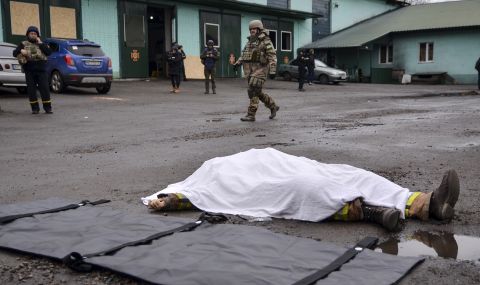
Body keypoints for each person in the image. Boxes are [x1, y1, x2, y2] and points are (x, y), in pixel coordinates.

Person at [143, 148, 460, 232]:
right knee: (309, 188)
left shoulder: (221, 162)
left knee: (352, 174)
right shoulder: (206, 179)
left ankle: (425, 203)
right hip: (274, 185)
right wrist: (167, 200)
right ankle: (375, 213)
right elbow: (194, 196)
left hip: (281, 165)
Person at [234, 20, 279, 122]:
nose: (252, 31)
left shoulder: (265, 41)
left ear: (259, 29)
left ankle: (251, 115)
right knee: (257, 92)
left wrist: (273, 70)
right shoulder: (250, 42)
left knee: (252, 90)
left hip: (261, 69)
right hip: (250, 70)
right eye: (251, 29)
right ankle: (273, 106)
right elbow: (244, 54)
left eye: (254, 29)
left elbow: (272, 56)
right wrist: (238, 63)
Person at [13, 26, 52, 114]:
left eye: (35, 34)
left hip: (41, 70)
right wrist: (21, 51)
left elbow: (49, 52)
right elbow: (14, 53)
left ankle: (48, 108)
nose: (33, 35)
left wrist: (41, 43)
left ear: (37, 35)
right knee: (31, 90)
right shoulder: (23, 43)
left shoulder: (42, 43)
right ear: (28, 34)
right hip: (29, 70)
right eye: (31, 33)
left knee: (45, 89)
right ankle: (35, 109)